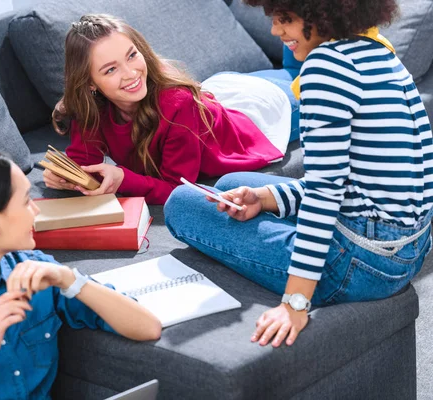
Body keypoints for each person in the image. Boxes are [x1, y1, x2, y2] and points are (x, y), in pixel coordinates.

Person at [165, 0, 433, 348]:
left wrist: (295, 304)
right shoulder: (377, 50)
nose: (276, 31)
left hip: (364, 265)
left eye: (285, 19)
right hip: (408, 247)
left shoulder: (325, 68)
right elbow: (352, 180)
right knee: (232, 186)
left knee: (182, 204)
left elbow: (325, 193)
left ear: (322, 14)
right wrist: (266, 199)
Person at [0, 150, 162, 399]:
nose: (36, 210)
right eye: (26, 202)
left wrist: (68, 278)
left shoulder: (37, 271)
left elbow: (148, 327)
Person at [44, 14, 290, 205]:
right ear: (89, 83)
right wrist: (66, 177)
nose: (130, 74)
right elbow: (86, 165)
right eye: (110, 69)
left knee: (313, 83)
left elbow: (178, 188)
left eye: (132, 56)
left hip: (257, 115)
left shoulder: (178, 105)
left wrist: (122, 178)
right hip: (213, 99)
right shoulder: (90, 109)